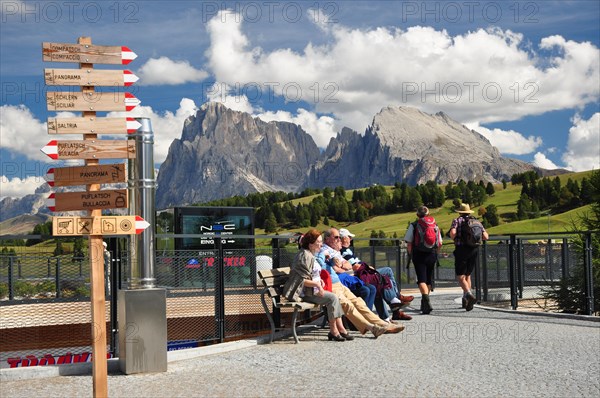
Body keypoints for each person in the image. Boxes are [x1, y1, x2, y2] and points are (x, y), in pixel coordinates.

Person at [317, 228, 404, 337]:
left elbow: (346, 264)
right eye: (336, 237)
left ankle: (383, 323)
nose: (339, 239)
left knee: (359, 302)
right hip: (330, 286)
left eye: (339, 237)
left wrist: (341, 264)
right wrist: (328, 257)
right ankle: (372, 327)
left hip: (339, 283)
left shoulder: (331, 251)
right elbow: (328, 265)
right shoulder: (320, 252)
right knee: (351, 303)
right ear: (327, 239)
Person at [282, 229, 352, 342]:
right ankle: (334, 331)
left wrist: (320, 281)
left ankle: (339, 329)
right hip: (304, 293)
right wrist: (317, 285)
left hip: (312, 290)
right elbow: (301, 280)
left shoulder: (310, 254)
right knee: (332, 298)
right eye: (318, 242)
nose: (321, 244)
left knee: (334, 297)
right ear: (310, 243)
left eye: (320, 241)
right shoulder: (304, 256)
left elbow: (313, 274)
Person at [339, 228, 414, 321]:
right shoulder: (343, 251)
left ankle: (390, 313)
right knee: (387, 272)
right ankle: (396, 300)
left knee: (381, 282)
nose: (351, 239)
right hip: (359, 275)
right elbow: (355, 266)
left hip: (362, 273)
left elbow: (356, 264)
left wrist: (367, 267)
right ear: (343, 238)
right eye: (349, 237)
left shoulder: (346, 250)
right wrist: (368, 267)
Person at [449, 203, 489, 311]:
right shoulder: (477, 221)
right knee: (468, 275)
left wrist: (456, 238)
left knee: (460, 275)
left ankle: (468, 295)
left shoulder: (457, 221)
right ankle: (466, 300)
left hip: (461, 249)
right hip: (474, 250)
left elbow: (452, 233)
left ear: (460, 212)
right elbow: (486, 236)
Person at [403, 206, 442, 314]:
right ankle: (425, 302)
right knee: (428, 279)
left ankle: (426, 300)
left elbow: (409, 242)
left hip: (419, 254)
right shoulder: (435, 225)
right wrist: (436, 253)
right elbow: (440, 242)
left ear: (417, 215)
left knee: (421, 279)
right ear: (428, 214)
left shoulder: (414, 225)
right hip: (432, 254)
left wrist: (411, 254)